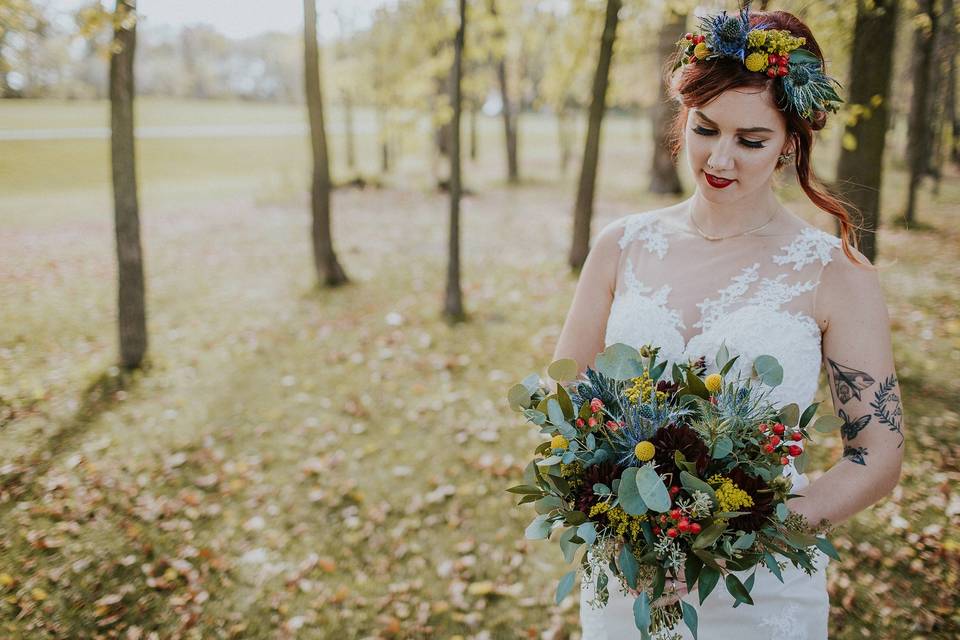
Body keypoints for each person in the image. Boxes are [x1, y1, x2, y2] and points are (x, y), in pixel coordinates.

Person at [550, 7, 904, 639]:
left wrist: (747, 537)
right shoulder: (621, 245)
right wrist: (612, 508)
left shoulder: (836, 273)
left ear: (791, 141)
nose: (719, 158)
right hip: (628, 582)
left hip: (758, 594)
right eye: (705, 128)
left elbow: (876, 456)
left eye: (751, 140)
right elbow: (569, 394)